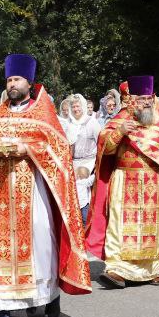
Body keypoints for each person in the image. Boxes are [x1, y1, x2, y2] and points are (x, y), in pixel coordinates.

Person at [0, 54, 91, 317]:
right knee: (1, 245)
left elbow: (59, 150)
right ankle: (3, 307)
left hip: (35, 190)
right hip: (1, 191)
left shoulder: (44, 114)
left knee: (41, 243)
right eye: (9, 80)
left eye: (16, 79)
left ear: (29, 82)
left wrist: (28, 149)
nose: (12, 84)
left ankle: (49, 295)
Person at [86, 77, 159, 288]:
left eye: (149, 98)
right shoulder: (120, 120)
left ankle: (153, 269)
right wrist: (120, 133)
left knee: (154, 226)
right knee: (120, 224)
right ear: (132, 99)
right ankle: (117, 270)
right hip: (124, 179)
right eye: (142, 98)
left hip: (155, 179)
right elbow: (104, 149)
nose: (146, 102)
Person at [60, 94, 101, 224]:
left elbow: (101, 142)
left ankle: (86, 218)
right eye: (73, 106)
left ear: (83, 106)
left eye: (78, 106)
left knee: (82, 181)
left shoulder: (92, 122)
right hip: (73, 161)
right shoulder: (69, 123)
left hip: (89, 162)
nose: (76, 109)